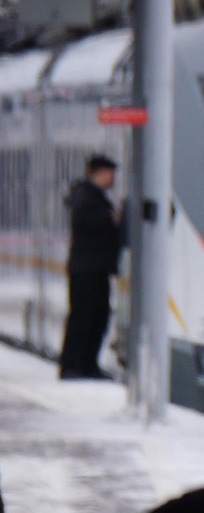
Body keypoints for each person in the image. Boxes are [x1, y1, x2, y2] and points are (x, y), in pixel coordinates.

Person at [59, 154, 124, 380]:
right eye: (111, 173)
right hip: (87, 269)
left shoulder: (94, 197)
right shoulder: (86, 197)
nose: (114, 178)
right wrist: (114, 219)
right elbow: (96, 223)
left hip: (96, 268)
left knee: (98, 316)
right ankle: (72, 366)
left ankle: (87, 365)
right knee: (83, 318)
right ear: (101, 173)